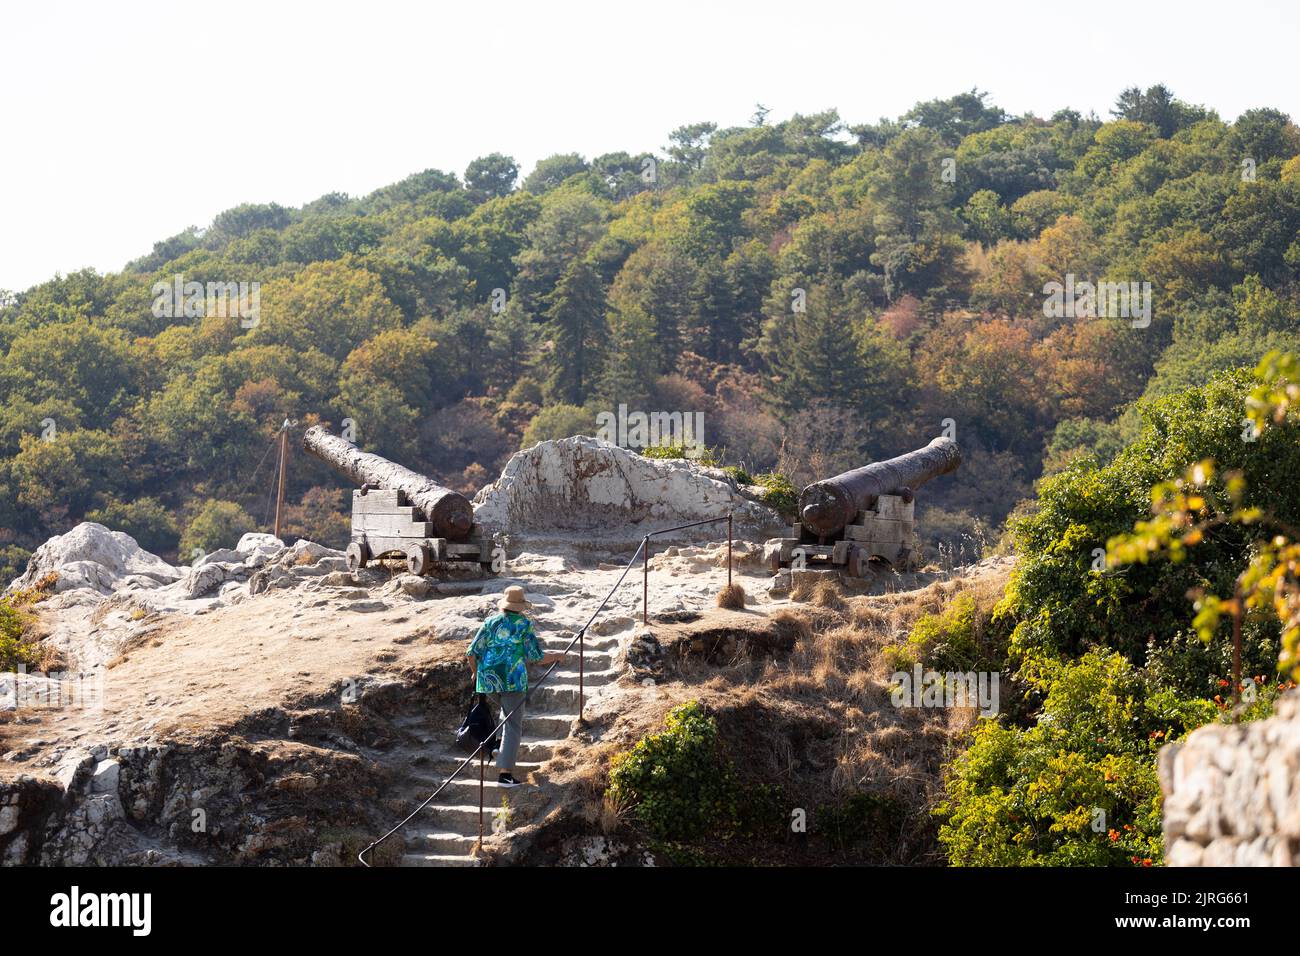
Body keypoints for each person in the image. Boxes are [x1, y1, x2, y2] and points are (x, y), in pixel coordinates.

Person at [466, 585, 565, 788]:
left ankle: (497, 748)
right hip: (513, 682)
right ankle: (505, 775)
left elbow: (471, 652)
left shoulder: (490, 622)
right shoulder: (523, 625)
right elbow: (536, 657)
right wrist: (556, 656)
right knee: (513, 725)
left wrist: (476, 673)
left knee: (506, 714)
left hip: (488, 682)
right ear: (520, 606)